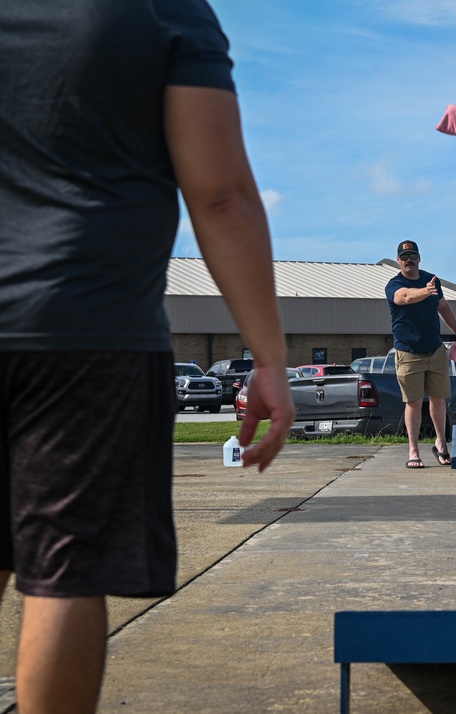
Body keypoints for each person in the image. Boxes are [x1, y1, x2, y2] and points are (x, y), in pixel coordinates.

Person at [0, 2, 295, 712]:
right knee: (65, 571)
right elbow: (220, 195)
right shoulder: (162, 9)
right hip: (81, 325)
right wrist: (270, 361)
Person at [385, 240, 456, 469]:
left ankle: (441, 444)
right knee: (413, 402)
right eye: (405, 257)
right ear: (398, 261)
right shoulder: (394, 284)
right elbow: (404, 297)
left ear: (419, 258)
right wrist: (426, 291)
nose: (409, 260)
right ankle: (413, 451)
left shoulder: (432, 280)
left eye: (413, 255)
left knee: (439, 399)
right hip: (408, 352)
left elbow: (442, 307)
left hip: (435, 349)